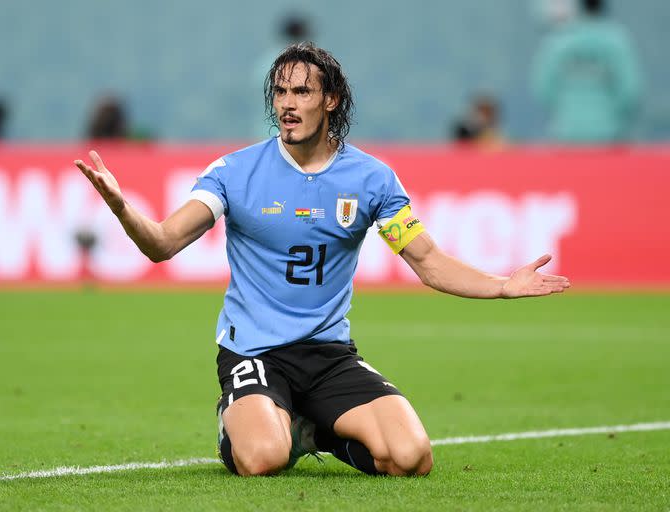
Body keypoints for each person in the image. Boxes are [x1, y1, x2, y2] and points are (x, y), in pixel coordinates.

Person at [75, 43, 570, 477]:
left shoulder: (372, 180)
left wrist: (503, 285)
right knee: (263, 457)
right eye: (280, 93)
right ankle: (244, 420)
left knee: (411, 457)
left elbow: (429, 261)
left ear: (330, 100)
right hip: (254, 352)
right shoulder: (235, 172)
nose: (287, 106)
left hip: (328, 356)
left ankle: (312, 430)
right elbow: (162, 243)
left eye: (302, 93)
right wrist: (122, 208)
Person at [531, 0, 642, 143]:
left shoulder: (558, 42)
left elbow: (543, 88)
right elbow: (630, 91)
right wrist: (615, 117)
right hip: (609, 134)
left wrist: (565, 113)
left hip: (567, 133)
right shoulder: (617, 41)